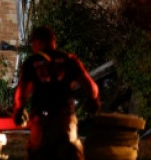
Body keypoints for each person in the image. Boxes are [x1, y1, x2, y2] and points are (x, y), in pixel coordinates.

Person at [13, 25, 100, 160]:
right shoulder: (69, 60)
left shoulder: (32, 62)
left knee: (37, 154)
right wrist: (93, 100)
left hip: (42, 122)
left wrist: (19, 109)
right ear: (54, 42)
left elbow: (22, 91)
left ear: (39, 42)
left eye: (33, 44)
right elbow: (91, 86)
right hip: (65, 121)